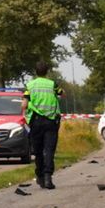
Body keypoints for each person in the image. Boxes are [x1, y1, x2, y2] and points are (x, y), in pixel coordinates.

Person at [23, 61, 63, 189]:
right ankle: (48, 178)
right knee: (49, 150)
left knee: (38, 150)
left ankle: (40, 176)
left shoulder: (30, 86)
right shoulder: (52, 84)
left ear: (35, 72)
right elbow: (62, 94)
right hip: (51, 121)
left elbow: (24, 104)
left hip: (35, 122)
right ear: (47, 71)